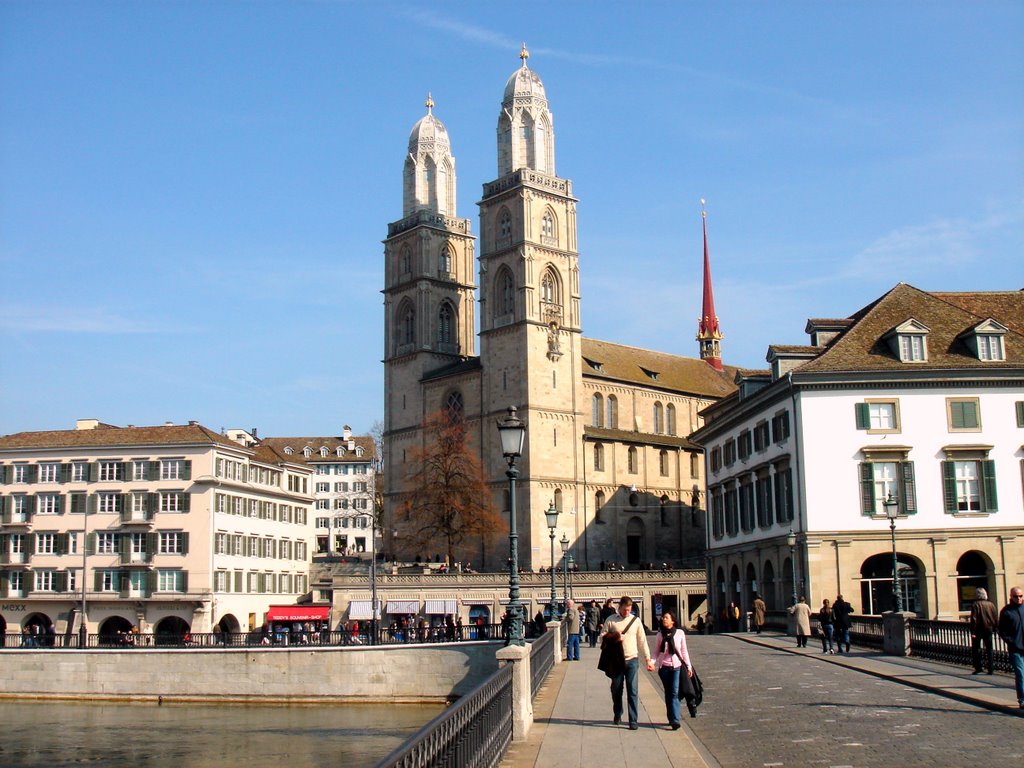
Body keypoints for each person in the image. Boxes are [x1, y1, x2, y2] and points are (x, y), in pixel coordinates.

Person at [598, 596, 653, 730]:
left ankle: (633, 720)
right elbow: (601, 637)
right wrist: (616, 637)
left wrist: (648, 659)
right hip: (616, 660)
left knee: (632, 690)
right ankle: (618, 711)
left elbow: (642, 641)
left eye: (629, 610)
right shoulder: (611, 620)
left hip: (632, 659)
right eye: (624, 610)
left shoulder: (636, 621)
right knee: (616, 689)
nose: (626, 613)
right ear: (619, 607)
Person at [652, 610, 696, 728]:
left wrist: (688, 666)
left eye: (666, 617)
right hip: (664, 668)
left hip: (677, 667)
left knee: (674, 692)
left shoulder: (680, 633)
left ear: (672, 620)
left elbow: (683, 651)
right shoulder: (660, 635)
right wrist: (652, 662)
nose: (663, 619)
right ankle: (671, 718)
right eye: (663, 618)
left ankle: (676, 720)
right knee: (668, 693)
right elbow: (656, 651)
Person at [996, 586, 1024, 709]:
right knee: (1020, 674)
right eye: (1016, 596)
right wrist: (1010, 641)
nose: (1018, 598)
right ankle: (1022, 699)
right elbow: (1001, 630)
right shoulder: (1006, 611)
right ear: (1011, 597)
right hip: (1016, 648)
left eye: (1021, 596)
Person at [968, 588, 998, 674]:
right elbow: (995, 617)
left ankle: (978, 667)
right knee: (989, 649)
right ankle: (991, 668)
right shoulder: (991, 605)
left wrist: (973, 632)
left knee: (977, 648)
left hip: (978, 629)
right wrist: (995, 628)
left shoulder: (976, 604)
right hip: (989, 629)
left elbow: (974, 619)